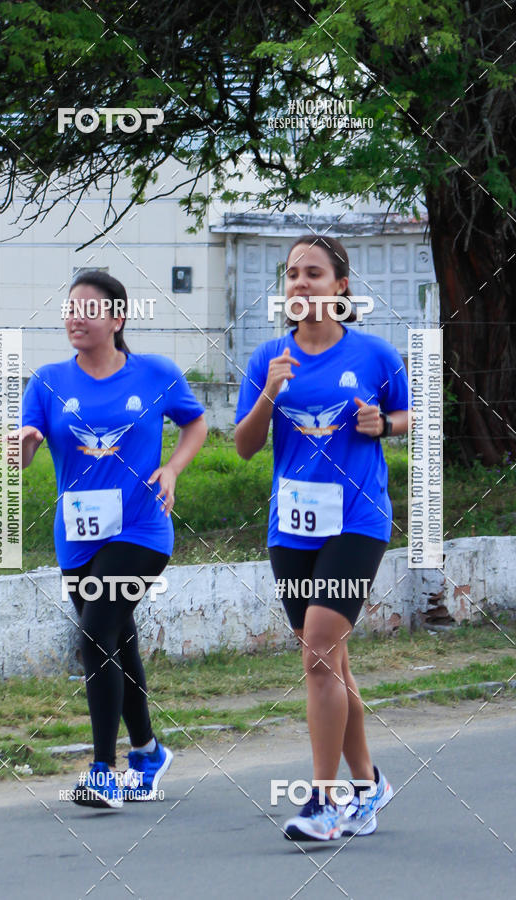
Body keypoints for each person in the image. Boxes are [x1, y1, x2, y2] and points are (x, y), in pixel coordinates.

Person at [234, 235, 410, 840]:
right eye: (292, 274)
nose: (300, 283)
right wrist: (269, 393)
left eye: (313, 273)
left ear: (341, 286)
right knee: (329, 661)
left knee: (315, 655)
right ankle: (368, 783)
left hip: (357, 520)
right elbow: (245, 446)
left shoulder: (375, 354)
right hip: (292, 528)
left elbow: (412, 414)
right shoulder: (269, 358)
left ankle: (323, 803)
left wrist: (383, 424)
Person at [19, 270, 207, 809]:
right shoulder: (47, 381)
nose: (75, 318)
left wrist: (172, 469)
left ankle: (103, 769)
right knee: (116, 639)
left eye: (88, 309)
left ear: (118, 319)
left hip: (141, 529)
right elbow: (24, 452)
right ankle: (148, 751)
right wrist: (23, 444)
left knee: (95, 632)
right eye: (70, 308)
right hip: (78, 537)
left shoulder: (156, 373)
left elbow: (195, 424)